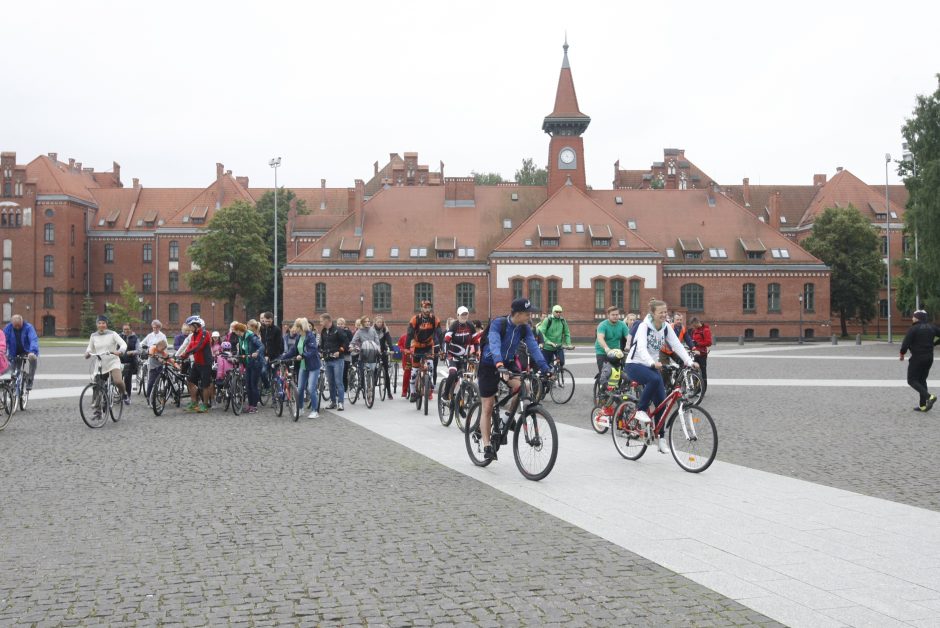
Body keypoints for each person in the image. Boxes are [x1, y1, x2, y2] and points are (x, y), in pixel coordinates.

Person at [478, 298, 551, 461]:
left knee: (524, 387)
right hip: (490, 363)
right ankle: (486, 445)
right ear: (518, 314)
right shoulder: (499, 323)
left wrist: (546, 369)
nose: (530, 316)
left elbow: (534, 348)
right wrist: (498, 364)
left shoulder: (524, 328)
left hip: (508, 363)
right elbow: (494, 344)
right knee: (488, 406)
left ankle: (505, 419)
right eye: (527, 313)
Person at [625, 299, 698, 454]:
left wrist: (689, 361)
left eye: (666, 312)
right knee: (655, 379)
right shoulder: (644, 327)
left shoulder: (665, 328)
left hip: (651, 365)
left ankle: (661, 439)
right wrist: (652, 363)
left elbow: (677, 345)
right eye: (661, 312)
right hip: (635, 363)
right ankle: (641, 410)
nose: (664, 315)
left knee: (662, 403)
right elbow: (642, 349)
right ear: (653, 313)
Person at [84, 315, 128, 415]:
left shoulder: (113, 334)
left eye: (103, 323)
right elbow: (90, 348)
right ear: (97, 325)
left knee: (118, 381)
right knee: (97, 386)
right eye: (99, 323)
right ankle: (98, 410)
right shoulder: (93, 336)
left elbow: (123, 344)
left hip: (113, 361)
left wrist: (120, 351)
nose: (101, 325)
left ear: (106, 324)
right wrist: (87, 353)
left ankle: (124, 393)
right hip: (100, 363)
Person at [278, 317, 321, 419]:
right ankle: (300, 408)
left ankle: (315, 411)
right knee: (300, 388)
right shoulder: (299, 337)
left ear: (301, 327)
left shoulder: (310, 336)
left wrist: (303, 355)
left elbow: (313, 350)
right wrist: (282, 357)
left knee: (311, 388)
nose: (295, 328)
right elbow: (293, 350)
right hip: (303, 366)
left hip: (313, 366)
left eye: (296, 326)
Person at [900, 310, 940, 412]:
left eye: (913, 316)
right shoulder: (932, 327)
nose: (912, 318)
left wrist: (902, 354)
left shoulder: (913, 329)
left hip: (917, 358)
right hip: (929, 358)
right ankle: (923, 406)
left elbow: (905, 344)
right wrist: (934, 344)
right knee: (922, 380)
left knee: (912, 380)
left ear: (918, 318)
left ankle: (929, 397)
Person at [406, 300, 441, 401]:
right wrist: (407, 348)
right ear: (421, 308)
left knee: (431, 365)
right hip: (417, 346)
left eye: (428, 307)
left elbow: (439, 334)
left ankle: (428, 381)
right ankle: (413, 392)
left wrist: (442, 347)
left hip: (429, 345)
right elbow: (409, 334)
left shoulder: (434, 319)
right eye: (425, 307)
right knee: (414, 371)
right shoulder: (415, 319)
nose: (427, 309)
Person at [177, 316, 213, 413]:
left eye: (190, 326)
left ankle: (205, 405)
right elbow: (189, 347)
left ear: (196, 325)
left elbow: (198, 347)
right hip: (197, 363)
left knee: (205, 385)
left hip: (206, 363)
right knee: (190, 382)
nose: (189, 328)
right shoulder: (193, 336)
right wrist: (181, 356)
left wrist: (187, 353)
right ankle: (194, 403)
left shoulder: (205, 334)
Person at [442, 306, 476, 401]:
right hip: (451, 355)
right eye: (462, 315)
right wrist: (445, 353)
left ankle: (459, 405)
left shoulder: (470, 325)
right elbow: (446, 341)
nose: (464, 316)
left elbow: (475, 341)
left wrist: (476, 353)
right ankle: (445, 394)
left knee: (462, 381)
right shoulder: (454, 326)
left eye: (466, 314)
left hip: (464, 357)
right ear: (457, 316)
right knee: (453, 373)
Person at [233, 321, 264, 413]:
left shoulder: (251, 337)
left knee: (253, 385)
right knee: (248, 385)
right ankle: (250, 405)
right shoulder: (241, 338)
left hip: (256, 363)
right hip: (248, 363)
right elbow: (242, 351)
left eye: (235, 331)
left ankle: (254, 406)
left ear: (239, 330)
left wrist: (257, 352)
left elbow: (261, 346)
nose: (235, 332)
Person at [319, 313, 348, 411]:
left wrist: (339, 351)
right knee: (330, 382)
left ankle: (341, 402)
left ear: (327, 320)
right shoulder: (323, 331)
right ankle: (332, 402)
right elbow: (322, 344)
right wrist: (321, 352)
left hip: (337, 360)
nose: (320, 322)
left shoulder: (338, 330)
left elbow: (345, 342)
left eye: (322, 320)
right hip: (327, 360)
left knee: (338, 382)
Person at [3, 314, 39, 390]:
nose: (17, 327)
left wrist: (32, 351)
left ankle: (30, 379)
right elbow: (3, 341)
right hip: (14, 352)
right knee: (12, 371)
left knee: (33, 359)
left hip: (27, 351)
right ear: (12, 323)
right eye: (15, 326)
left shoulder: (28, 327)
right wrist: (3, 352)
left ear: (22, 322)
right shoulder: (8, 328)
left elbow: (33, 339)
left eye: (19, 325)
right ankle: (13, 387)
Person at [595, 306, 630, 373]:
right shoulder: (603, 325)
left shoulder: (622, 324)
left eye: (617, 315)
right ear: (608, 315)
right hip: (602, 351)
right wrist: (606, 348)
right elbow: (600, 338)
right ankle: (603, 383)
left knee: (617, 372)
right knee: (604, 373)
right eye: (613, 315)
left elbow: (628, 337)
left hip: (615, 351)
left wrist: (629, 345)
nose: (615, 316)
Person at [373, 315, 395, 400]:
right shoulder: (372, 330)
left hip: (383, 351)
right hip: (375, 351)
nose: (379, 324)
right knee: (374, 370)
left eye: (381, 322)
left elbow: (389, 340)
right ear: (375, 322)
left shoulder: (385, 329)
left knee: (386, 372)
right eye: (378, 322)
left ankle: (389, 392)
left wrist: (392, 349)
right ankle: (371, 389)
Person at [688, 317, 712, 394]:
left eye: (693, 325)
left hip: (702, 354)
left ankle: (703, 390)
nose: (693, 327)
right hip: (695, 353)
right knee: (694, 370)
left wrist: (698, 343)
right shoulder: (695, 330)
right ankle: (696, 389)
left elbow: (709, 342)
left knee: (702, 371)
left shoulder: (705, 330)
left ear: (696, 323)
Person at [118, 323, 140, 404]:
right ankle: (120, 394)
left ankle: (128, 396)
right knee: (118, 379)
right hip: (119, 360)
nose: (126, 331)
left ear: (131, 329)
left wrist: (132, 352)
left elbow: (139, 350)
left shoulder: (135, 338)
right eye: (124, 329)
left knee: (127, 380)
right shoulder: (119, 336)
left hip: (130, 361)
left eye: (127, 329)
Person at [259, 312, 281, 389]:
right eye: (266, 321)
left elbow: (277, 345)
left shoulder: (277, 330)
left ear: (272, 320)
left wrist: (269, 355)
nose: (267, 323)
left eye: (269, 321)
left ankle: (278, 393)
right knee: (263, 372)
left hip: (274, 356)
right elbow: (263, 342)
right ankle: (267, 387)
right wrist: (264, 354)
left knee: (275, 376)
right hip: (265, 356)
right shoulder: (262, 329)